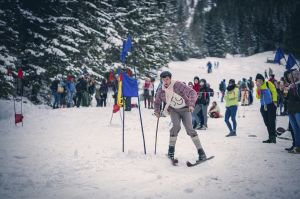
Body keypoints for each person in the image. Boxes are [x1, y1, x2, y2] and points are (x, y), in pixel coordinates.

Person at [154, 71, 207, 161]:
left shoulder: (178, 84)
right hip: (174, 110)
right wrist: (157, 111)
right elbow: (157, 101)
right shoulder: (161, 90)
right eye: (163, 79)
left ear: (170, 78)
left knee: (190, 129)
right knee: (176, 127)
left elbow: (192, 92)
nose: (165, 81)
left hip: (186, 108)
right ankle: (171, 152)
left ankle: (201, 153)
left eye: (167, 79)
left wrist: (191, 104)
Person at [255, 73, 278, 143]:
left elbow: (274, 91)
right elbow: (258, 97)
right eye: (257, 81)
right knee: (267, 122)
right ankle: (270, 137)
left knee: (272, 121)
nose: (259, 82)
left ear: (262, 80)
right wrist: (259, 89)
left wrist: (275, 101)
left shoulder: (268, 84)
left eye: (260, 80)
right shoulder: (258, 88)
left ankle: (273, 137)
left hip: (271, 105)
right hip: (263, 107)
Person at [284, 69, 300, 153]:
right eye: (289, 77)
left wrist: (296, 88)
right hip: (290, 110)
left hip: (298, 109)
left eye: (292, 76)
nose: (290, 78)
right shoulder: (290, 85)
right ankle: (297, 146)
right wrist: (285, 90)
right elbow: (285, 98)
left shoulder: (298, 85)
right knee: (295, 129)